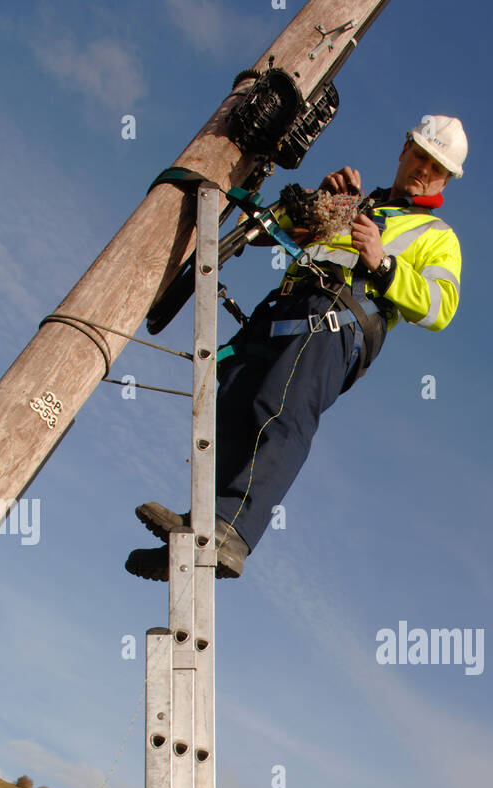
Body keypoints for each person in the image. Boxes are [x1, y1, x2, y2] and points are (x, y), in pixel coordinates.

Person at [126, 116, 466, 580]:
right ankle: (200, 532)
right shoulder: (360, 203)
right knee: (234, 405)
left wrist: (383, 263)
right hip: (284, 309)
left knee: (280, 410)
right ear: (405, 148)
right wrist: (317, 202)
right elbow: (273, 231)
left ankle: (232, 530)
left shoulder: (438, 237)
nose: (425, 170)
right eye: (422, 156)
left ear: (447, 179)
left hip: (337, 322)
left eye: (437, 167)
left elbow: (440, 308)